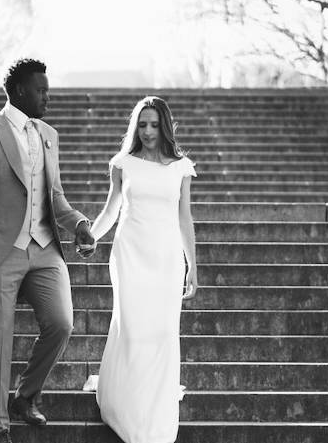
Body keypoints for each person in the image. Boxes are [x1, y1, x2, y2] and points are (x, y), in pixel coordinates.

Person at [0, 58, 95, 443]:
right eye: (41, 90)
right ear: (19, 91)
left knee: (62, 322)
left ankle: (25, 396)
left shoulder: (49, 134)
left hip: (45, 248)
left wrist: (79, 224)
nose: (47, 96)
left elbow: (56, 198)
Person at [88, 95, 197, 443]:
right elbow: (111, 210)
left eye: (154, 124)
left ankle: (155, 412)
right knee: (133, 331)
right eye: (142, 124)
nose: (148, 131)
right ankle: (126, 408)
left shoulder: (181, 167)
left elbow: (184, 217)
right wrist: (89, 235)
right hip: (130, 255)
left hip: (166, 259)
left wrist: (192, 264)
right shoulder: (123, 163)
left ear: (164, 125)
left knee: (162, 334)